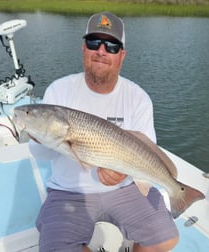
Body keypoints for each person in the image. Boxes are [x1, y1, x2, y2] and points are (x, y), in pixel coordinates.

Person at [29, 12, 179, 252]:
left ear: (122, 55)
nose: (101, 50)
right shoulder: (59, 90)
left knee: (166, 239)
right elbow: (42, 155)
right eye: (93, 42)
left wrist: (122, 173)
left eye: (111, 45)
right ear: (83, 49)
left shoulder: (138, 98)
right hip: (69, 190)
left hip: (125, 187)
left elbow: (146, 147)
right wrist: (37, 136)